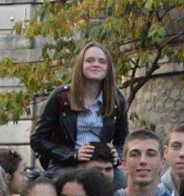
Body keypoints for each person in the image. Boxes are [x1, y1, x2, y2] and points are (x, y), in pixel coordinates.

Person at [31, 42, 127, 171]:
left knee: (124, 188)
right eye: (89, 60)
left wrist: (117, 155)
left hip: (102, 165)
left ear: (108, 68)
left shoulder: (117, 100)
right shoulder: (61, 97)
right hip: (66, 165)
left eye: (102, 61)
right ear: (80, 66)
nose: (96, 64)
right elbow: (37, 140)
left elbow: (123, 142)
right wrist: (73, 154)